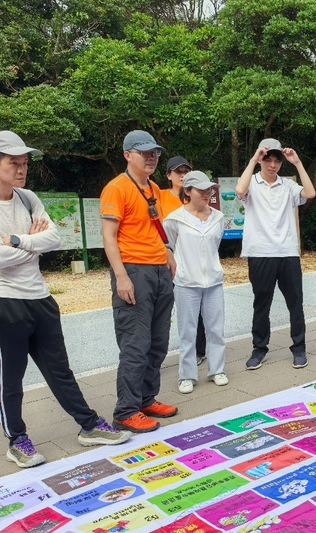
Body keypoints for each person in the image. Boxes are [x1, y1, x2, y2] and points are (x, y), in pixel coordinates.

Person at [0, 131, 131, 467]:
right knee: (11, 378)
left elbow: (55, 238)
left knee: (60, 370)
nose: (21, 169)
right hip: (7, 301)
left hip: (41, 297)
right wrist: (30, 243)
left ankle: (88, 425)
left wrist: (18, 241)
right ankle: (17, 439)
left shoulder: (28, 198)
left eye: (25, 163)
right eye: (14, 162)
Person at [101, 130, 179, 433]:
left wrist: (168, 252)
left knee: (158, 341)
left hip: (159, 269)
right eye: (144, 152)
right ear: (127, 155)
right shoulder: (117, 188)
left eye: (155, 153)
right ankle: (126, 410)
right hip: (133, 270)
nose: (151, 157)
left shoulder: (154, 188)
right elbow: (109, 237)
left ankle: (147, 399)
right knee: (136, 342)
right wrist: (121, 276)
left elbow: (154, 226)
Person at [236, 138, 316, 370]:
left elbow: (310, 193)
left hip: (287, 252)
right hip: (260, 252)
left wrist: (298, 163)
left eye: (276, 160)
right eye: (267, 159)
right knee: (262, 303)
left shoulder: (288, 186)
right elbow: (240, 190)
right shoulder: (251, 182)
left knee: (295, 302)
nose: (272, 164)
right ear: (261, 159)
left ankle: (299, 348)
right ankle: (259, 349)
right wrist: (253, 158)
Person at [163, 171, 227, 394]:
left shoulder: (218, 217)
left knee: (216, 329)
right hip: (186, 283)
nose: (207, 194)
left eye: (209, 189)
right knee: (187, 331)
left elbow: (215, 246)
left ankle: (217, 370)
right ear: (187, 192)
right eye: (201, 190)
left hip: (214, 282)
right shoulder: (174, 219)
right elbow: (168, 247)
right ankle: (187, 376)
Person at [163, 156, 207, 365]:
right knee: (163, 310)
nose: (182, 175)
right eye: (177, 172)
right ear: (168, 175)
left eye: (185, 171)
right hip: (165, 261)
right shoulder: (160, 197)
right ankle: (157, 356)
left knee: (195, 311)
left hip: (191, 263)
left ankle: (199, 351)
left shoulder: (194, 199)